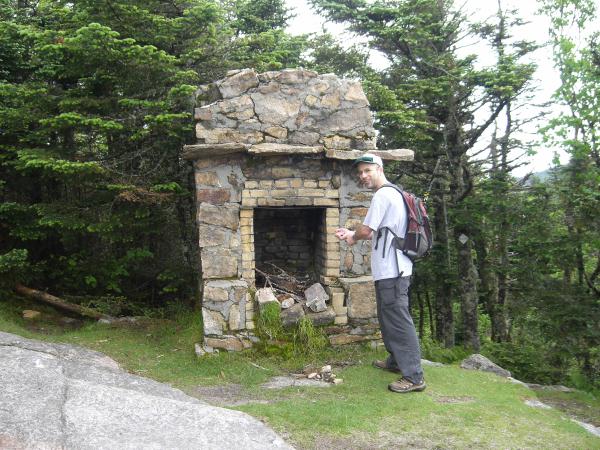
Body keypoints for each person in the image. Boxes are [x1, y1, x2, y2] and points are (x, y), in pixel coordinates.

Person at [335, 153, 426, 393]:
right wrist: (353, 233)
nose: (363, 176)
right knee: (388, 318)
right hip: (390, 269)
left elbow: (366, 230)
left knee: (398, 320)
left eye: (367, 171)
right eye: (360, 172)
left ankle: (414, 377)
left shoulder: (383, 195)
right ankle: (396, 361)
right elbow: (383, 231)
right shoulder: (393, 193)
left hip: (393, 271)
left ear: (379, 169)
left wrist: (352, 236)